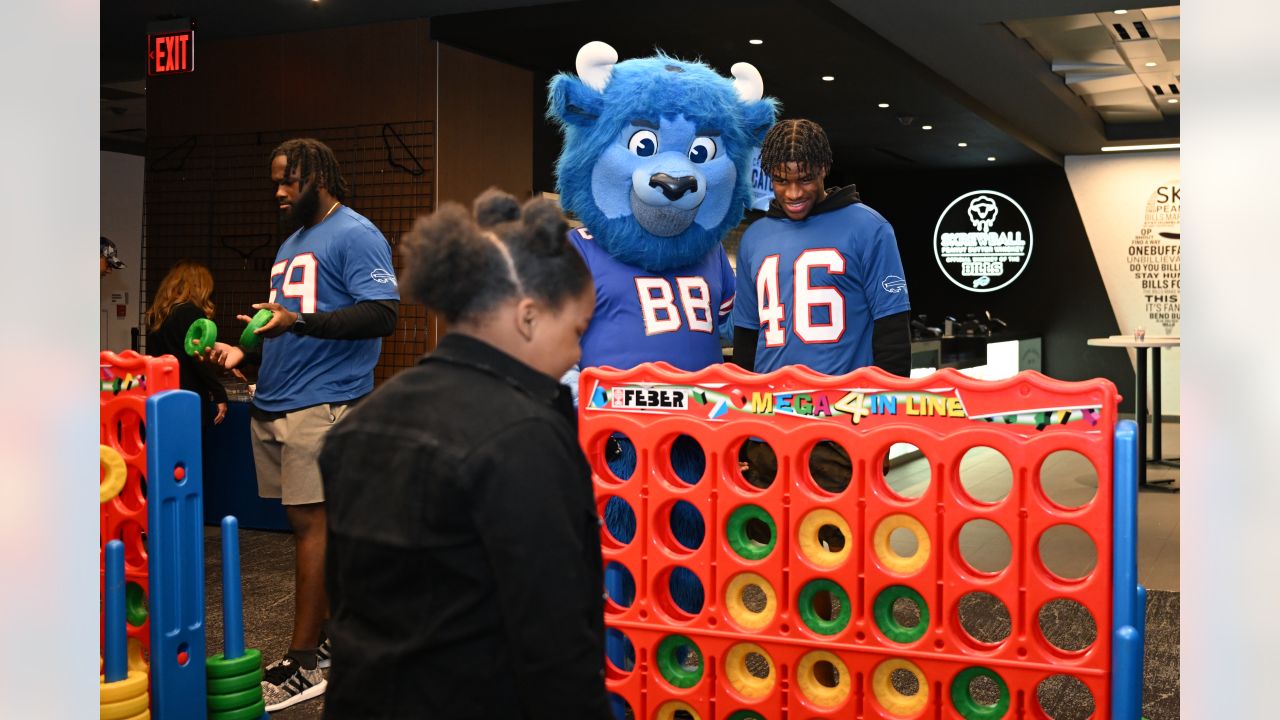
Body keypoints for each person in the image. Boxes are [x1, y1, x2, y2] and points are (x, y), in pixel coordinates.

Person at [317, 188, 610, 719]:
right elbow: (556, 640)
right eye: (577, 330)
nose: (577, 352)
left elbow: (349, 604)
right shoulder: (525, 436)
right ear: (528, 316)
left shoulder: (361, 422)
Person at [204, 138, 399, 711]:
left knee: (312, 525)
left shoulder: (356, 233)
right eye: (276, 182)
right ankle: (341, 639)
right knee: (314, 526)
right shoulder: (291, 242)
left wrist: (299, 322)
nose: (280, 191)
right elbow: (289, 329)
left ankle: (305, 659)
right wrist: (248, 355)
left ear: (320, 177)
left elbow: (383, 313)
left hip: (326, 402)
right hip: (278, 399)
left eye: (289, 180)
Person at [732, 119, 911, 489]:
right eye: (782, 180)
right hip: (768, 425)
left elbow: (892, 334)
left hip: (844, 427)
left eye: (805, 179)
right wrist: (740, 426)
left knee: (839, 544)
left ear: (824, 170)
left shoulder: (870, 228)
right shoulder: (755, 238)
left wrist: (886, 424)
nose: (794, 192)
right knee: (765, 544)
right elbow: (747, 339)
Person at [144, 260, 229, 425]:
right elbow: (198, 359)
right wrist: (219, 393)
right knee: (191, 447)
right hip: (188, 395)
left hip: (160, 392)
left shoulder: (157, 314)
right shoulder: (191, 312)